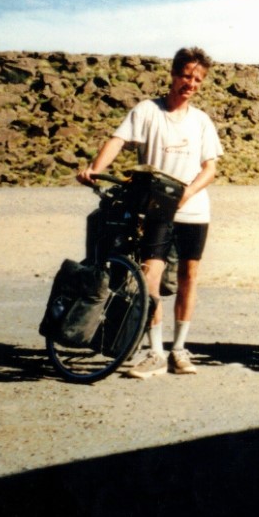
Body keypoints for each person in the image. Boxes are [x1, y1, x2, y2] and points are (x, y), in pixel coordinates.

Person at [77, 47, 223, 379]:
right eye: (186, 75)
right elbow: (117, 141)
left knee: (189, 276)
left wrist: (186, 193)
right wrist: (95, 170)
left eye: (198, 79)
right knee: (149, 277)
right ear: (173, 74)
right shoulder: (147, 111)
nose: (191, 83)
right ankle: (155, 351)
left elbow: (210, 169)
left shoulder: (201, 121)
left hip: (194, 211)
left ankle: (179, 350)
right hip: (157, 210)